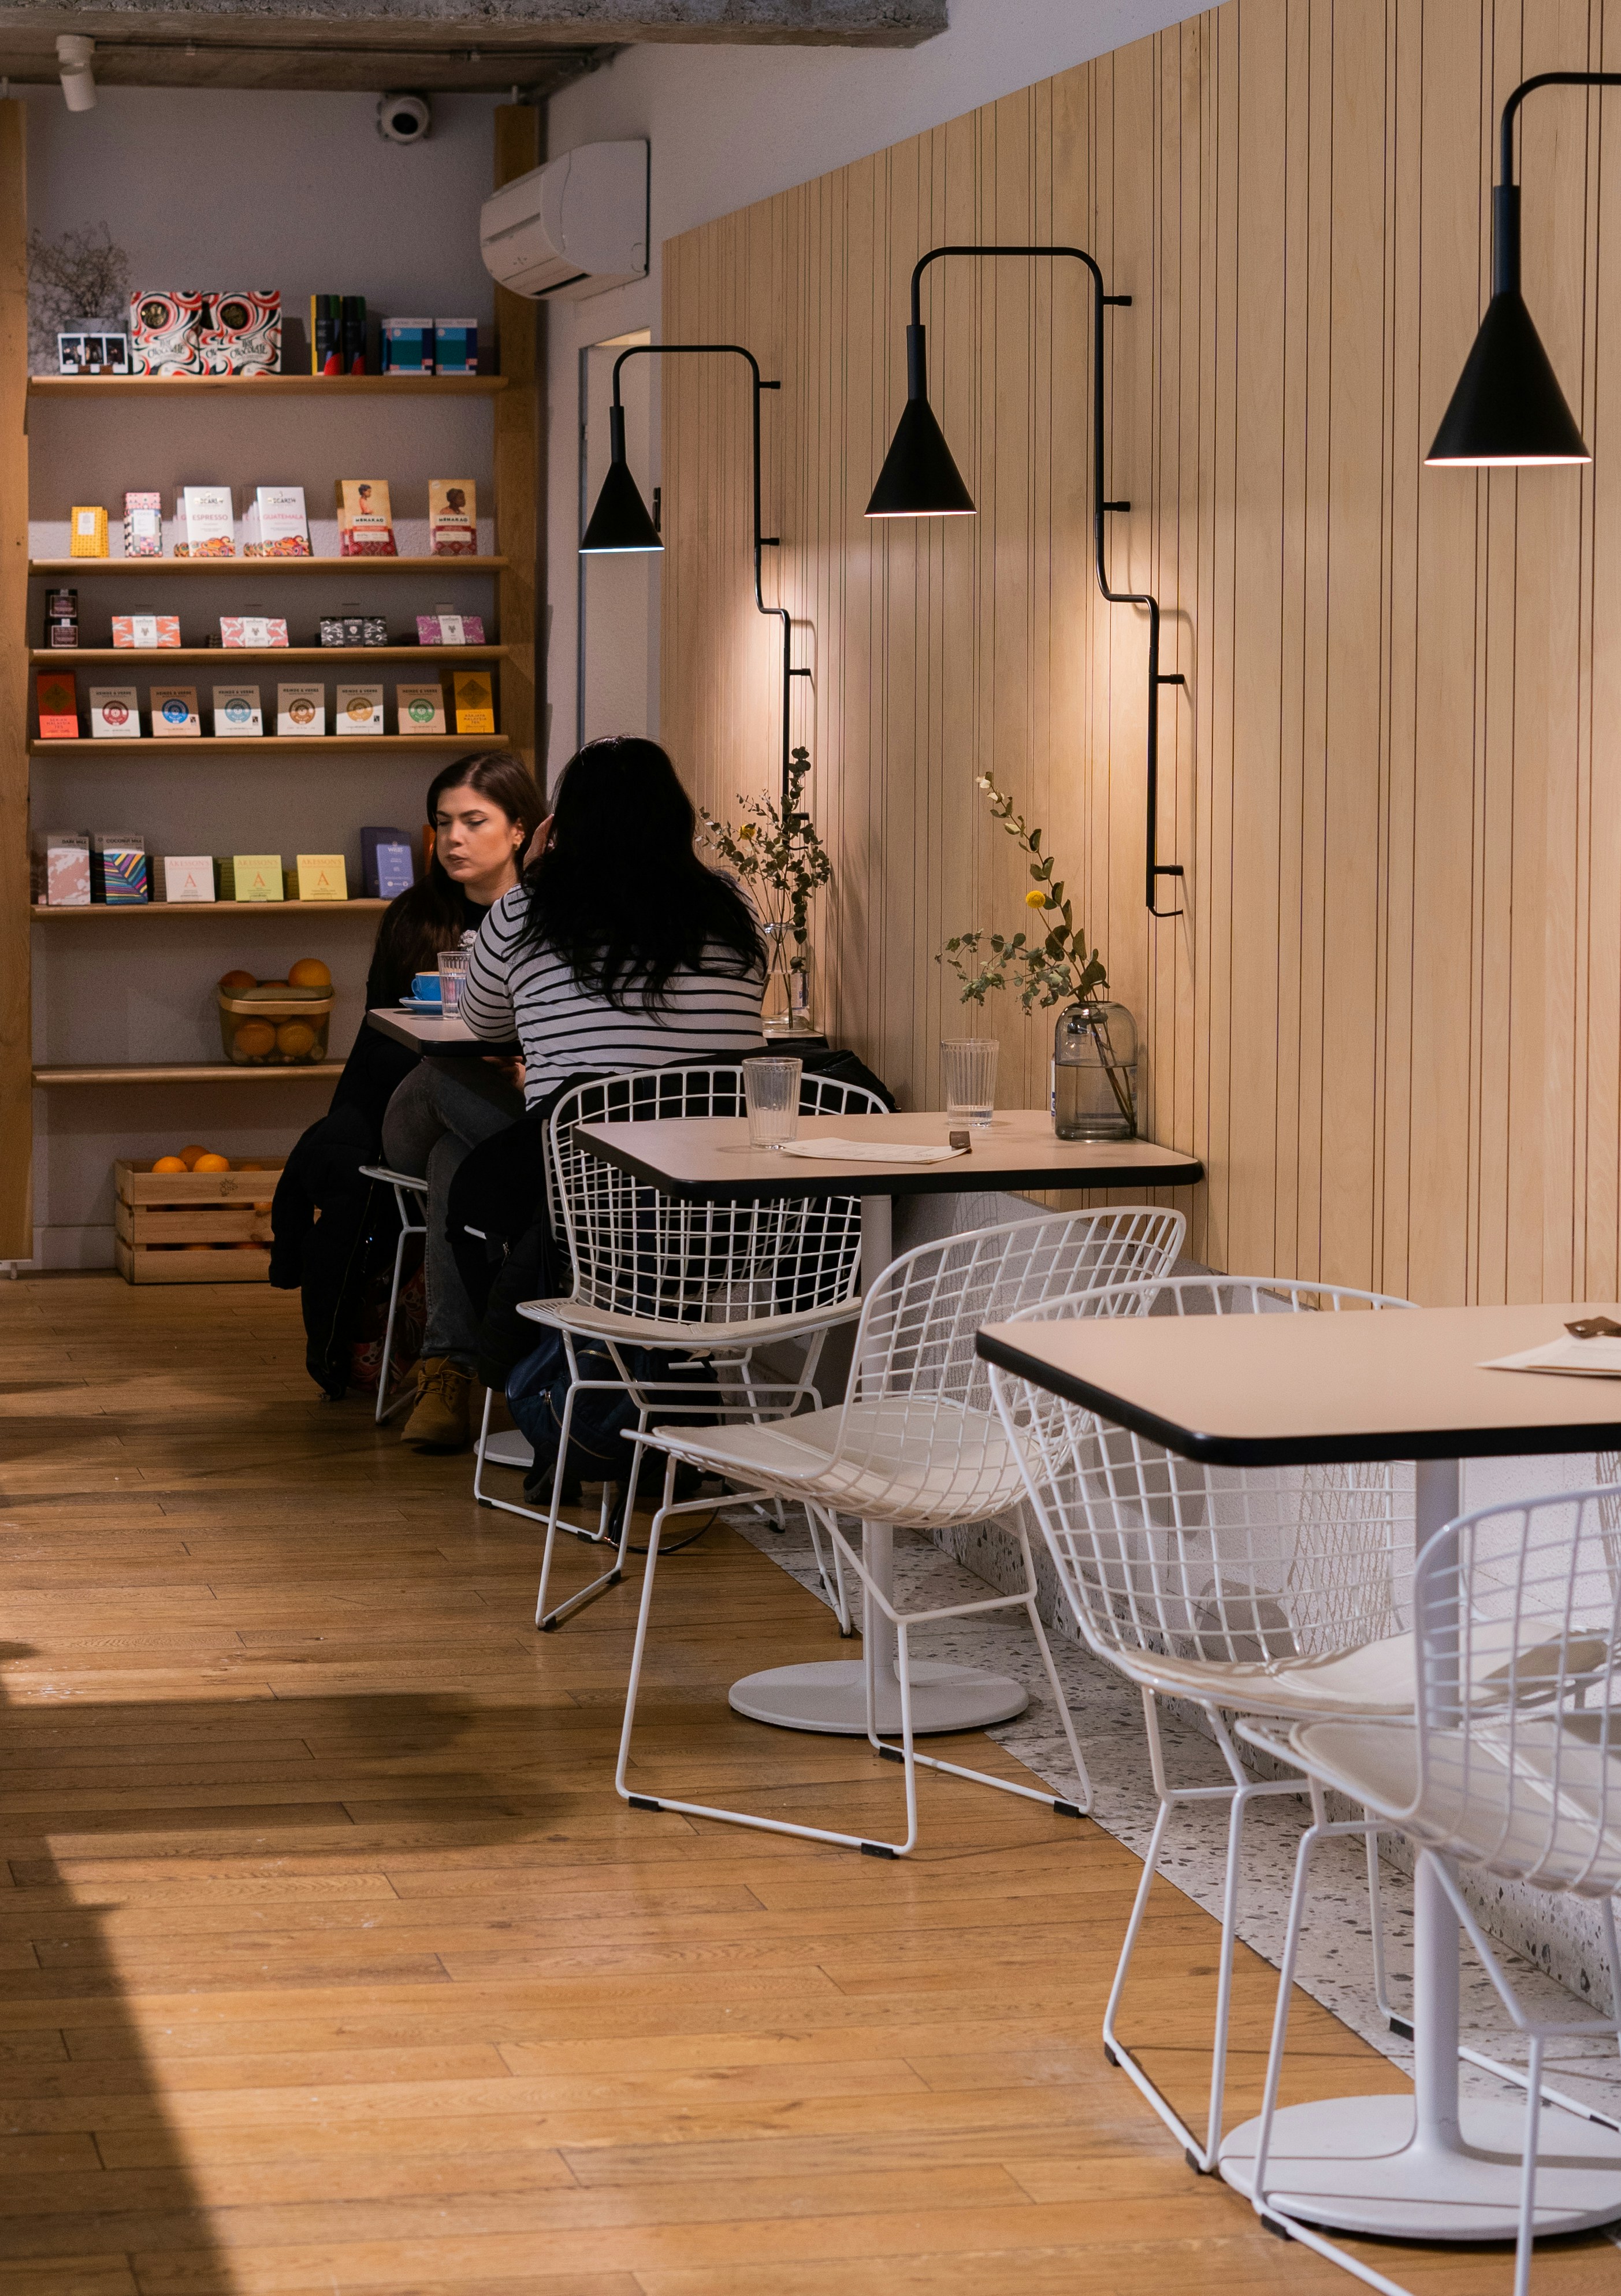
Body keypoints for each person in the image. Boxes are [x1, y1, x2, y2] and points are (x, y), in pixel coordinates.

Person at [383, 734, 767, 1450]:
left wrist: (531, 875)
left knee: (437, 1109)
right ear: (676, 816)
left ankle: (452, 1369)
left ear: (560, 822)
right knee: (458, 1162)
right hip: (721, 1199)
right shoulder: (730, 903)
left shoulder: (529, 906)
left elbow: (482, 1019)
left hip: (581, 1188)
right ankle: (462, 1368)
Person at [269, 753, 544, 1397]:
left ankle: (447, 1373)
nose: (453, 838)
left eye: (473, 821)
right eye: (442, 822)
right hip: (415, 1114)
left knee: (455, 1160)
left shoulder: (546, 922)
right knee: (437, 1073)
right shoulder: (415, 918)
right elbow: (380, 1043)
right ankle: (547, 1169)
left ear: (520, 830)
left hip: (494, 1124)